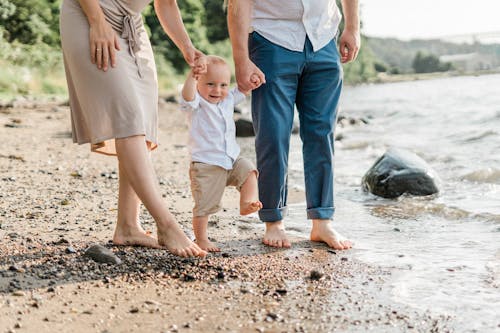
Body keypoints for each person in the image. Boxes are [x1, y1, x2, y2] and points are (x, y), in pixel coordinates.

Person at [59, 0, 207, 257]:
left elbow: (166, 3)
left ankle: (128, 226)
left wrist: (186, 45)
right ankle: (167, 224)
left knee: (143, 122)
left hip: (133, 29)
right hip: (90, 15)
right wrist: (97, 22)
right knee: (128, 118)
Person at [227, 0, 360, 250]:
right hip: (271, 39)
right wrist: (241, 59)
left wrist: (352, 27)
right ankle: (273, 220)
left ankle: (322, 220)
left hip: (323, 38)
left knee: (322, 134)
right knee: (273, 134)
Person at [179, 55, 262, 252]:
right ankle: (201, 238)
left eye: (223, 85)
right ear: (199, 82)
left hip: (230, 160)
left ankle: (246, 202)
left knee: (249, 169)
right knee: (204, 205)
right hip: (206, 164)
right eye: (210, 84)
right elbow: (187, 96)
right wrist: (192, 76)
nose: (217, 90)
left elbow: (243, 89)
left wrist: (253, 81)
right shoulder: (196, 104)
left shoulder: (228, 99)